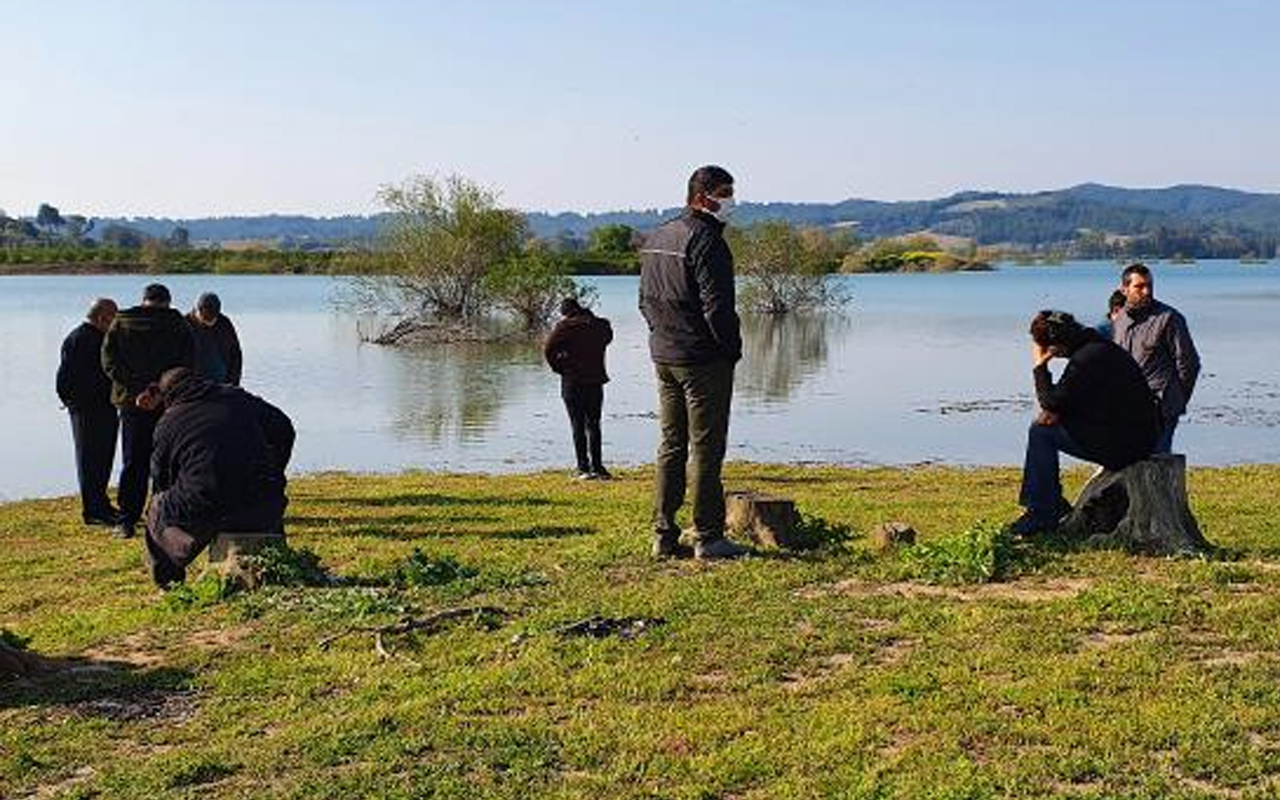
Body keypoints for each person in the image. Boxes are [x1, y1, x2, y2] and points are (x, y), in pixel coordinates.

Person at [638, 165, 748, 560]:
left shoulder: (658, 236)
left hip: (665, 354)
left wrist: (661, 336)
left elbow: (644, 302)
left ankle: (663, 535)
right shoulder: (707, 241)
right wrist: (730, 350)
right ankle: (708, 537)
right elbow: (718, 308)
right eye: (724, 192)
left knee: (671, 446)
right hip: (702, 360)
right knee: (705, 449)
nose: (731, 201)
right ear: (702, 197)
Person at [1010, 310, 1161, 536]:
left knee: (1041, 433)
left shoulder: (1087, 358)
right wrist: (1058, 411)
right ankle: (1050, 502)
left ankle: (1042, 513)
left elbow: (1052, 401)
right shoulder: (1098, 348)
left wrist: (1040, 366)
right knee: (1045, 427)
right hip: (1137, 437)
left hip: (1127, 447)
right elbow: (1071, 400)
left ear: (1055, 347)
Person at [144, 367, 295, 588]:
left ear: (168, 395)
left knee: (157, 505)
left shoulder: (169, 421)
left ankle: (169, 581)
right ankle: (273, 563)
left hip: (205, 504)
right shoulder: (237, 398)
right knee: (262, 487)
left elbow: (160, 479)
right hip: (262, 500)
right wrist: (274, 468)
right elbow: (284, 428)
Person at [101, 283, 195, 539]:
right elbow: (187, 364)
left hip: (132, 403)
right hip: (168, 402)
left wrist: (139, 390)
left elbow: (109, 362)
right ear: (167, 301)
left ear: (144, 300)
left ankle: (126, 520)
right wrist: (157, 391)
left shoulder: (121, 322)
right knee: (168, 459)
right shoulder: (178, 325)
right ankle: (163, 515)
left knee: (134, 461)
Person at [1113, 263, 1201, 453]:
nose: (1146, 291)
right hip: (1129, 406)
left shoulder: (1170, 318)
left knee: (1158, 463)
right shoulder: (1120, 319)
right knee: (1132, 464)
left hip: (1161, 408)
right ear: (1124, 289)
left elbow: (1189, 364)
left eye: (1149, 286)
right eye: (1139, 286)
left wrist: (1177, 398)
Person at [56, 298, 120, 525]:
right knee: (89, 460)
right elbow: (64, 379)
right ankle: (92, 511)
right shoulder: (78, 339)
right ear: (102, 317)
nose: (117, 321)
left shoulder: (104, 338)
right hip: (86, 411)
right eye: (114, 316)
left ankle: (102, 505)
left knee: (104, 458)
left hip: (107, 407)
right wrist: (74, 403)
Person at [543, 297, 614, 479]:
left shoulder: (565, 327)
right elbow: (607, 339)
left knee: (577, 425)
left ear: (566, 312)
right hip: (595, 380)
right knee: (594, 424)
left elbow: (548, 349)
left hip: (572, 380)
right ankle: (598, 467)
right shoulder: (601, 325)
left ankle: (583, 468)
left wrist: (559, 366)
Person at [187, 292, 243, 385]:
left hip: (223, 385)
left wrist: (234, 382)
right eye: (206, 319)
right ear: (197, 310)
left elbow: (235, 353)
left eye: (213, 318)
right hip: (194, 387)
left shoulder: (224, 323)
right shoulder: (185, 324)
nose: (210, 322)